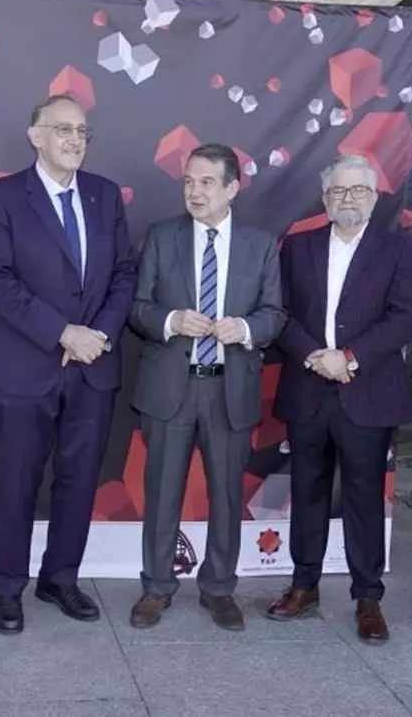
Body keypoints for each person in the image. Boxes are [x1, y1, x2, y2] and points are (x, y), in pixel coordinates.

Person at [0, 93, 137, 635]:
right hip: (26, 368)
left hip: (92, 367)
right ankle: (7, 587)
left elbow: (124, 274)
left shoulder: (104, 195)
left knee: (79, 479)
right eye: (63, 129)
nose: (74, 139)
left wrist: (98, 336)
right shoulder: (1, 198)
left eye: (82, 131)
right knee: (16, 483)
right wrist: (63, 333)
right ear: (35, 136)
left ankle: (60, 578)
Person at [125, 143, 286, 631]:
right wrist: (172, 320)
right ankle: (157, 586)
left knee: (227, 495)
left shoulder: (261, 244)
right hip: (170, 389)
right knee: (161, 494)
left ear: (233, 187)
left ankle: (218, 588)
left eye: (207, 182)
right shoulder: (161, 237)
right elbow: (137, 308)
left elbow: (275, 314)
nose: (194, 192)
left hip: (229, 389)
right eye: (189, 182)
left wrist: (246, 329)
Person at [266, 154, 412, 644]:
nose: (348, 198)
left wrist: (350, 357)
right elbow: (279, 311)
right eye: (339, 190)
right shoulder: (298, 247)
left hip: (367, 390)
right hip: (308, 386)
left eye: (358, 190)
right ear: (325, 198)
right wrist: (314, 355)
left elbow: (406, 316)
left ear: (374, 198)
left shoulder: (397, 249)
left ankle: (368, 597)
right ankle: (304, 585)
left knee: (363, 496)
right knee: (307, 492)